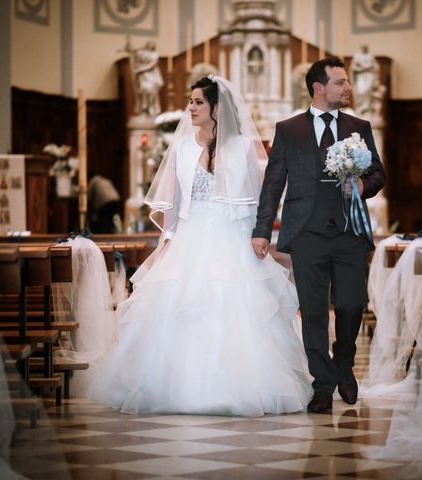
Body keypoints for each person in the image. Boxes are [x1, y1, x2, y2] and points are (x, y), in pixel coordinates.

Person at [87, 76, 311, 416]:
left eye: (198, 102)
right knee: (177, 306)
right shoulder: (182, 147)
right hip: (190, 238)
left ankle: (245, 386)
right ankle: (168, 386)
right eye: (190, 102)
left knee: (238, 308)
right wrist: (167, 240)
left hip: (232, 237)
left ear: (216, 108)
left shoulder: (241, 147)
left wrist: (256, 237)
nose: (190, 108)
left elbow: (253, 200)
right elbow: (174, 204)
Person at [252, 57, 386, 413]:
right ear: (319, 87)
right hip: (306, 231)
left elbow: (378, 174)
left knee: (351, 304)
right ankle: (323, 384)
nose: (348, 88)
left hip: (350, 232)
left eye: (348, 82)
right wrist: (262, 230)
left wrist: (362, 183)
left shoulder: (360, 126)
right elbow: (273, 183)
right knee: (312, 312)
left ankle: (344, 361)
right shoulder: (289, 129)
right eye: (341, 82)